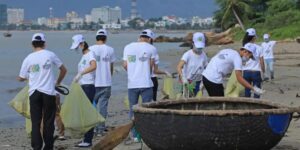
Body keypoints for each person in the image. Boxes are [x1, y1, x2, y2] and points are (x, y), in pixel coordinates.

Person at [17, 33, 67, 150]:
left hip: (34, 93)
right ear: (44, 43)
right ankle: (48, 146)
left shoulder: (28, 58)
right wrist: (58, 82)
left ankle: (37, 147)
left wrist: (27, 76)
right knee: (49, 121)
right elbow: (63, 70)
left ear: (32, 44)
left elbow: (20, 78)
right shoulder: (50, 55)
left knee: (36, 122)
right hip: (49, 93)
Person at [123, 29, 156, 142]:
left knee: (133, 109)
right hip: (146, 83)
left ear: (140, 36)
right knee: (146, 109)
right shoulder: (151, 48)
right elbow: (151, 67)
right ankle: (145, 134)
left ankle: (134, 134)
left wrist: (133, 72)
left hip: (132, 84)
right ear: (149, 38)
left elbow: (125, 65)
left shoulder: (127, 47)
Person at [70, 34, 97, 147]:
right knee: (84, 113)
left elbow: (94, 66)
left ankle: (88, 140)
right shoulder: (84, 55)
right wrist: (77, 79)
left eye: (77, 46)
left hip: (88, 86)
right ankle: (85, 138)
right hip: (83, 86)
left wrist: (80, 73)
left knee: (86, 113)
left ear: (82, 44)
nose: (76, 49)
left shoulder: (90, 54)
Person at [89, 29, 116, 136]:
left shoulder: (90, 49)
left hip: (93, 83)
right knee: (103, 106)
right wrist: (110, 76)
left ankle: (93, 128)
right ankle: (100, 129)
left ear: (96, 38)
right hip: (106, 82)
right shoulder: (110, 49)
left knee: (92, 106)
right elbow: (111, 66)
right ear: (105, 38)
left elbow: (88, 66)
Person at [177, 32, 208, 97]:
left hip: (198, 82)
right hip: (188, 81)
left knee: (197, 98)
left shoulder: (204, 55)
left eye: (200, 47)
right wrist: (183, 78)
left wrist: (204, 82)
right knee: (186, 97)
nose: (199, 49)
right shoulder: (188, 54)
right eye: (197, 47)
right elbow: (179, 67)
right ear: (193, 43)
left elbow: (207, 68)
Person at [145, 29, 171, 101]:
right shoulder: (153, 50)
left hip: (140, 80)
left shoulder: (136, 49)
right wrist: (165, 72)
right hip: (152, 79)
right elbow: (155, 70)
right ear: (150, 39)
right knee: (152, 101)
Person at [242, 28, 265, 99]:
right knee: (257, 91)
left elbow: (243, 61)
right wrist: (263, 72)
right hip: (256, 72)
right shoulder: (259, 47)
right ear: (254, 37)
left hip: (246, 72)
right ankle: (256, 107)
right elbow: (261, 62)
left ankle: (246, 107)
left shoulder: (244, 47)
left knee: (247, 90)